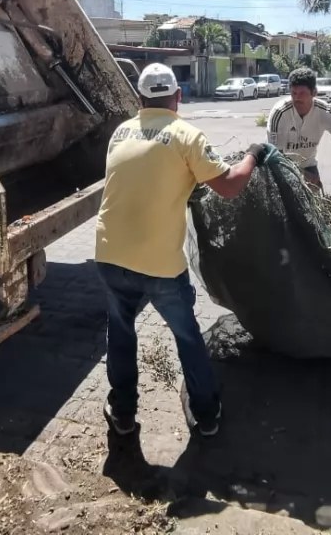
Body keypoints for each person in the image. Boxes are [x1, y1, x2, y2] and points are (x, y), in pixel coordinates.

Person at [95, 63, 265, 438]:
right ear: (178, 97)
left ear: (140, 98)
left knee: (120, 334)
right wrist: (252, 154)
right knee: (187, 336)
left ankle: (123, 413)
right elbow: (230, 186)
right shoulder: (186, 134)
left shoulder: (120, 132)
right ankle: (206, 415)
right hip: (159, 263)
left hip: (109, 253)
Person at [267, 67, 331, 189]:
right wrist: (301, 175)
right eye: (293, 93)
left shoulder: (325, 112)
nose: (297, 98)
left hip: (308, 165)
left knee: (316, 204)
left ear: (314, 93)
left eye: (302, 93)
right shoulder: (279, 113)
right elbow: (275, 156)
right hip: (279, 166)